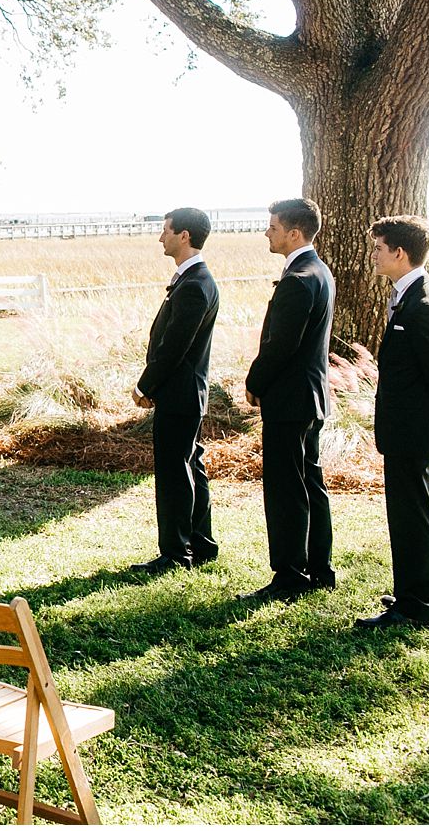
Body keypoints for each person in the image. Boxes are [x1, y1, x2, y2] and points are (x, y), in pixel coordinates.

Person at [356, 215, 429, 629]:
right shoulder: (412, 295)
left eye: (379, 248)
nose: (374, 256)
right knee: (424, 511)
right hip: (406, 427)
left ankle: (413, 607)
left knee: (411, 515)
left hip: (413, 430)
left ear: (400, 253)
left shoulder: (425, 304)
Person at [241, 198, 336, 603]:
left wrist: (254, 380)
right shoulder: (319, 270)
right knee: (310, 482)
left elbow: (282, 344)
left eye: (273, 226)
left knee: (285, 488)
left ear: (294, 233)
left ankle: (290, 574)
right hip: (310, 396)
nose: (267, 232)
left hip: (290, 399)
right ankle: (319, 566)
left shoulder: (299, 278)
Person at [130, 207, 221, 574]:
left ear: (185, 236)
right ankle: (201, 543)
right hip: (186, 392)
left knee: (173, 473)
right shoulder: (191, 280)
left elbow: (174, 347)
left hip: (180, 393)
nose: (160, 237)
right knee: (190, 466)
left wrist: (145, 385)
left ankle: (175, 553)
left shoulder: (196, 285)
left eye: (166, 230)